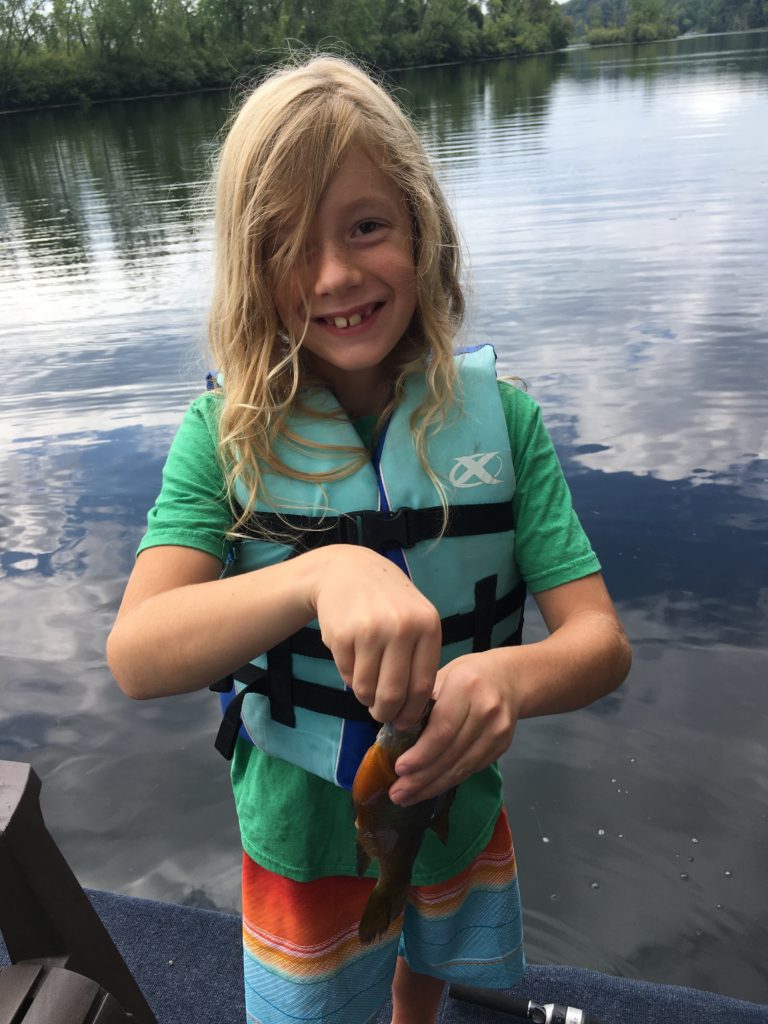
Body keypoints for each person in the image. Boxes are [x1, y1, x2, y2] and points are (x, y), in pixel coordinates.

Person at [107, 54, 632, 1024]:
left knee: (429, 956)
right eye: (290, 246)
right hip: (302, 831)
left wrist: (508, 680)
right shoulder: (217, 440)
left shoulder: (506, 422)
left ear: (422, 229)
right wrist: (321, 571)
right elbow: (138, 655)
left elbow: (600, 642)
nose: (336, 275)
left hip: (456, 801)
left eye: (366, 227)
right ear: (249, 270)